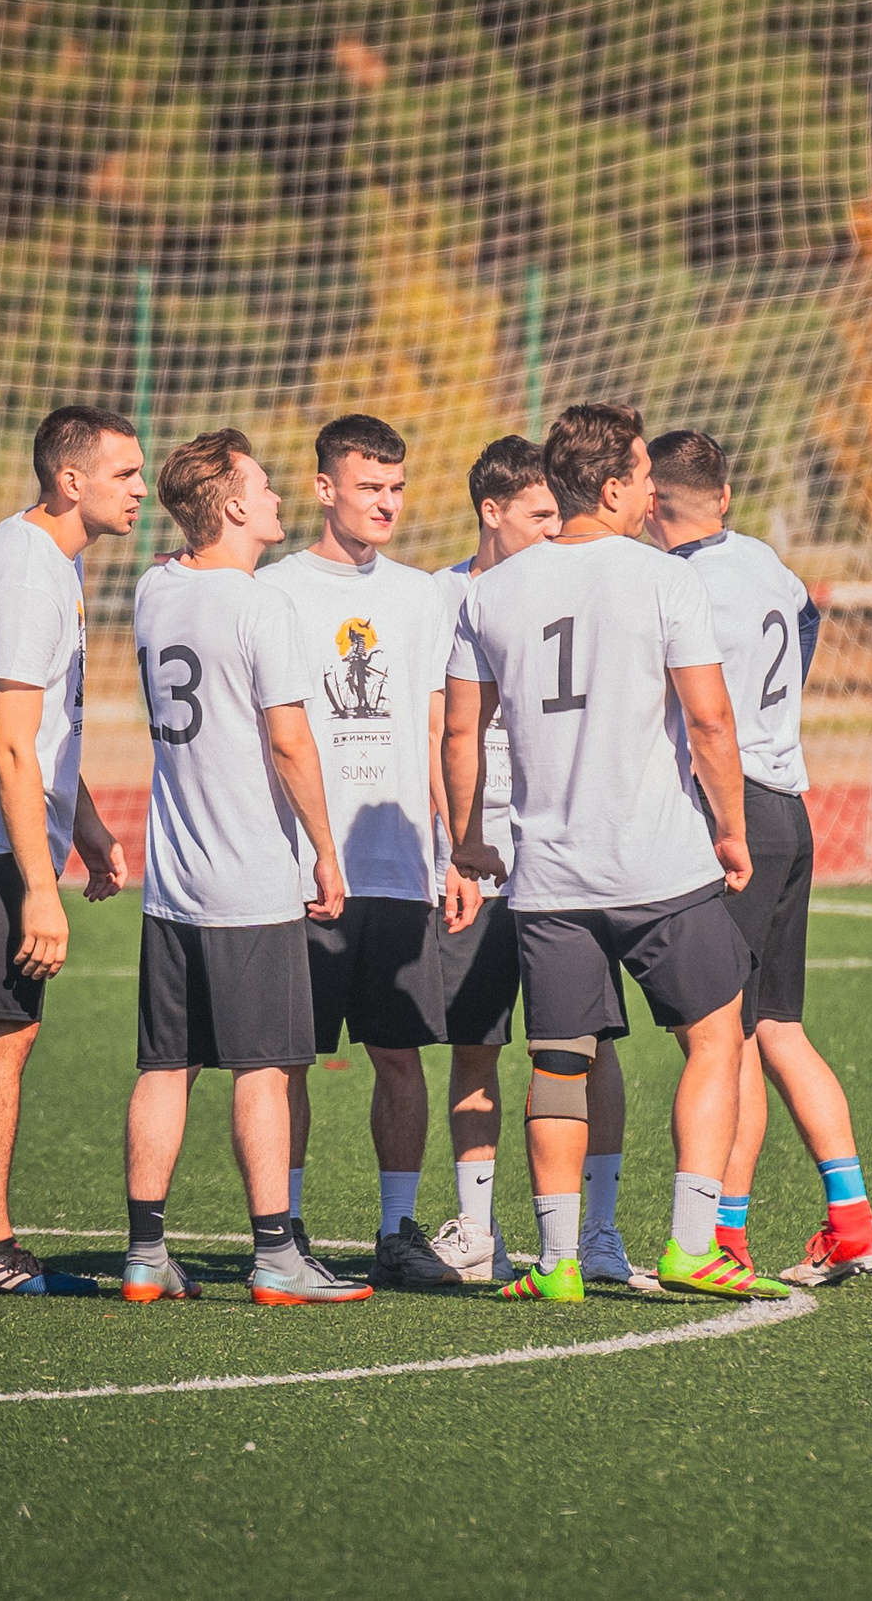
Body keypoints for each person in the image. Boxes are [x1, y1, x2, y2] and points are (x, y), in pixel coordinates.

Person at [443, 402, 786, 1302]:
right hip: (661, 867)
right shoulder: (664, 578)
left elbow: (458, 730)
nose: (649, 490)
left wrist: (467, 838)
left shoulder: (489, 590)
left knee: (558, 1063)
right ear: (610, 486)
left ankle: (556, 1260)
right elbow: (710, 718)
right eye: (640, 474)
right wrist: (732, 828)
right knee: (716, 1038)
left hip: (551, 877)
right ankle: (689, 1241)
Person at [122, 428, 365, 1306]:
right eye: (260, 487)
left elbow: (174, 574)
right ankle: (274, 1255)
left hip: (174, 877)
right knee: (263, 1066)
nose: (274, 499)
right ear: (230, 506)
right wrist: (326, 852)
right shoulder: (261, 604)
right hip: (249, 875)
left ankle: (146, 1254)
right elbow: (291, 742)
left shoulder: (153, 590)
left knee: (166, 1065)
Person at [0, 405, 143, 1297]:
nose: (140, 489)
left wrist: (85, 826)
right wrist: (39, 889)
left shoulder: (33, 557)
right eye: (125, 472)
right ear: (70, 479)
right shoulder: (31, 574)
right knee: (5, 1033)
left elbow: (32, 738)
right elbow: (9, 745)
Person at [645, 429, 872, 1286]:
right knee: (777, 1026)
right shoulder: (767, 563)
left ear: (648, 501)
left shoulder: (679, 583)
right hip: (788, 805)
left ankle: (725, 1237)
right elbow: (809, 620)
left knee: (727, 1038)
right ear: (721, 494)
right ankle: (852, 1219)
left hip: (732, 813)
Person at [257, 414, 462, 1292]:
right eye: (368, 485)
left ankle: (396, 1228)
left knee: (400, 1054)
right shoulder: (274, 590)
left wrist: (452, 850)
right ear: (324, 488)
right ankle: (287, 1229)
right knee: (288, 1057)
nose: (386, 502)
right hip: (306, 873)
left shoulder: (420, 596)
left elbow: (430, 727)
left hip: (397, 868)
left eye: (396, 486)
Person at [419, 437, 571, 1285]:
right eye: (540, 514)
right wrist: (454, 850)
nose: (555, 530)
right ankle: (475, 1229)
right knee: (474, 1046)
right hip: (477, 865)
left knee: (577, 1047)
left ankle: (593, 1234)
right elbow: (438, 733)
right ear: (493, 510)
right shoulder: (438, 597)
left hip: (558, 855)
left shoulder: (568, 584)